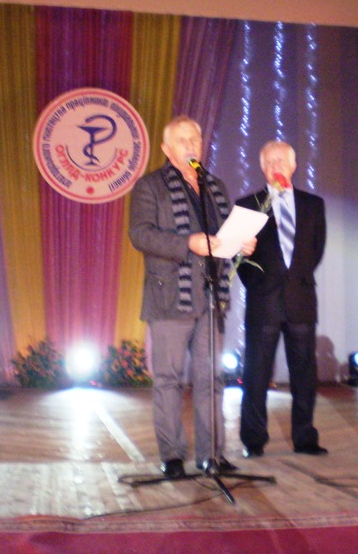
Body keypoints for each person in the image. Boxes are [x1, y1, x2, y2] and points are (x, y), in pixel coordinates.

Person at [128, 115, 256, 478]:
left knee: (210, 379)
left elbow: (222, 238)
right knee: (168, 379)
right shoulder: (150, 186)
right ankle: (172, 455)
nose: (190, 146)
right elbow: (140, 234)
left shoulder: (214, 186)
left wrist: (241, 244)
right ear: (166, 149)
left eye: (195, 140)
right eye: (182, 140)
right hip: (170, 296)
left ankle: (211, 453)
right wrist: (188, 243)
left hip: (211, 296)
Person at [236, 140, 328, 458]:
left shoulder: (313, 205)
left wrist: (296, 279)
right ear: (263, 168)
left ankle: (305, 438)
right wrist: (259, 285)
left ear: (294, 165)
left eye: (282, 160)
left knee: (304, 374)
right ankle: (253, 439)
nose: (277, 165)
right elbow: (239, 257)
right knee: (256, 373)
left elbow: (315, 250)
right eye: (271, 161)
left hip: (301, 300)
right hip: (264, 302)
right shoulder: (248, 205)